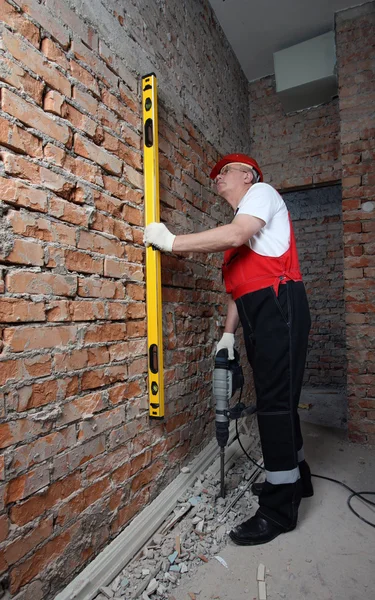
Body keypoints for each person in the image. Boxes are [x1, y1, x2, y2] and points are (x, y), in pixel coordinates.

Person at [144, 153, 313, 546]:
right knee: (281, 399)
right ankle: (297, 479)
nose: (217, 177)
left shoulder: (261, 195)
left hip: (279, 306)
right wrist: (227, 335)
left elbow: (236, 235)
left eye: (225, 172)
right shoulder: (240, 234)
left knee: (273, 404)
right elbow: (238, 291)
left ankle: (278, 510)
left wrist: (172, 242)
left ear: (247, 175)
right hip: (260, 312)